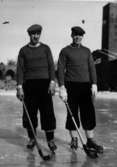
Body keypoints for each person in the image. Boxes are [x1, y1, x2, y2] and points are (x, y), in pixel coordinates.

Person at [57, 26, 103, 153]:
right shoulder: (65, 51)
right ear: (72, 35)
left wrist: (94, 83)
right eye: (75, 35)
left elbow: (92, 68)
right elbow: (60, 69)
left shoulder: (87, 51)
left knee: (88, 113)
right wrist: (62, 87)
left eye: (80, 35)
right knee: (72, 114)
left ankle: (90, 140)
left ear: (83, 37)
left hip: (85, 86)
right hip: (71, 86)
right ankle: (74, 139)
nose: (78, 37)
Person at [16, 24, 57, 153]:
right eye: (33, 34)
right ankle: (32, 138)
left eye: (38, 34)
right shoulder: (23, 50)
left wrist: (52, 82)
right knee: (30, 113)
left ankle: (50, 140)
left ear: (40, 34)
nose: (36, 36)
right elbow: (20, 70)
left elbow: (51, 66)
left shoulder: (46, 49)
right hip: (29, 85)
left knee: (47, 113)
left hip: (44, 85)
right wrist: (19, 87)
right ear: (29, 35)